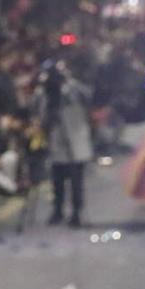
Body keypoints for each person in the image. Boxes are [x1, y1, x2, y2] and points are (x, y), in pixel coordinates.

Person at [40, 59, 95, 228]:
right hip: (57, 142)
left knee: (76, 181)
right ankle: (57, 210)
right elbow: (42, 115)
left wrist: (69, 83)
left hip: (75, 140)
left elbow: (89, 98)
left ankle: (77, 212)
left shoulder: (74, 89)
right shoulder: (45, 94)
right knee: (57, 180)